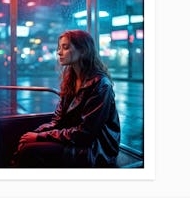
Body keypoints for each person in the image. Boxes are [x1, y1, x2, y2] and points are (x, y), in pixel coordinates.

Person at [11, 29, 120, 168]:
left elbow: (85, 133)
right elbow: (58, 120)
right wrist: (36, 133)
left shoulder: (101, 85)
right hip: (75, 139)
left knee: (29, 150)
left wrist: (39, 137)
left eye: (65, 47)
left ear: (83, 51)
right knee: (24, 140)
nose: (59, 52)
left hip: (95, 149)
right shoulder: (71, 80)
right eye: (59, 47)